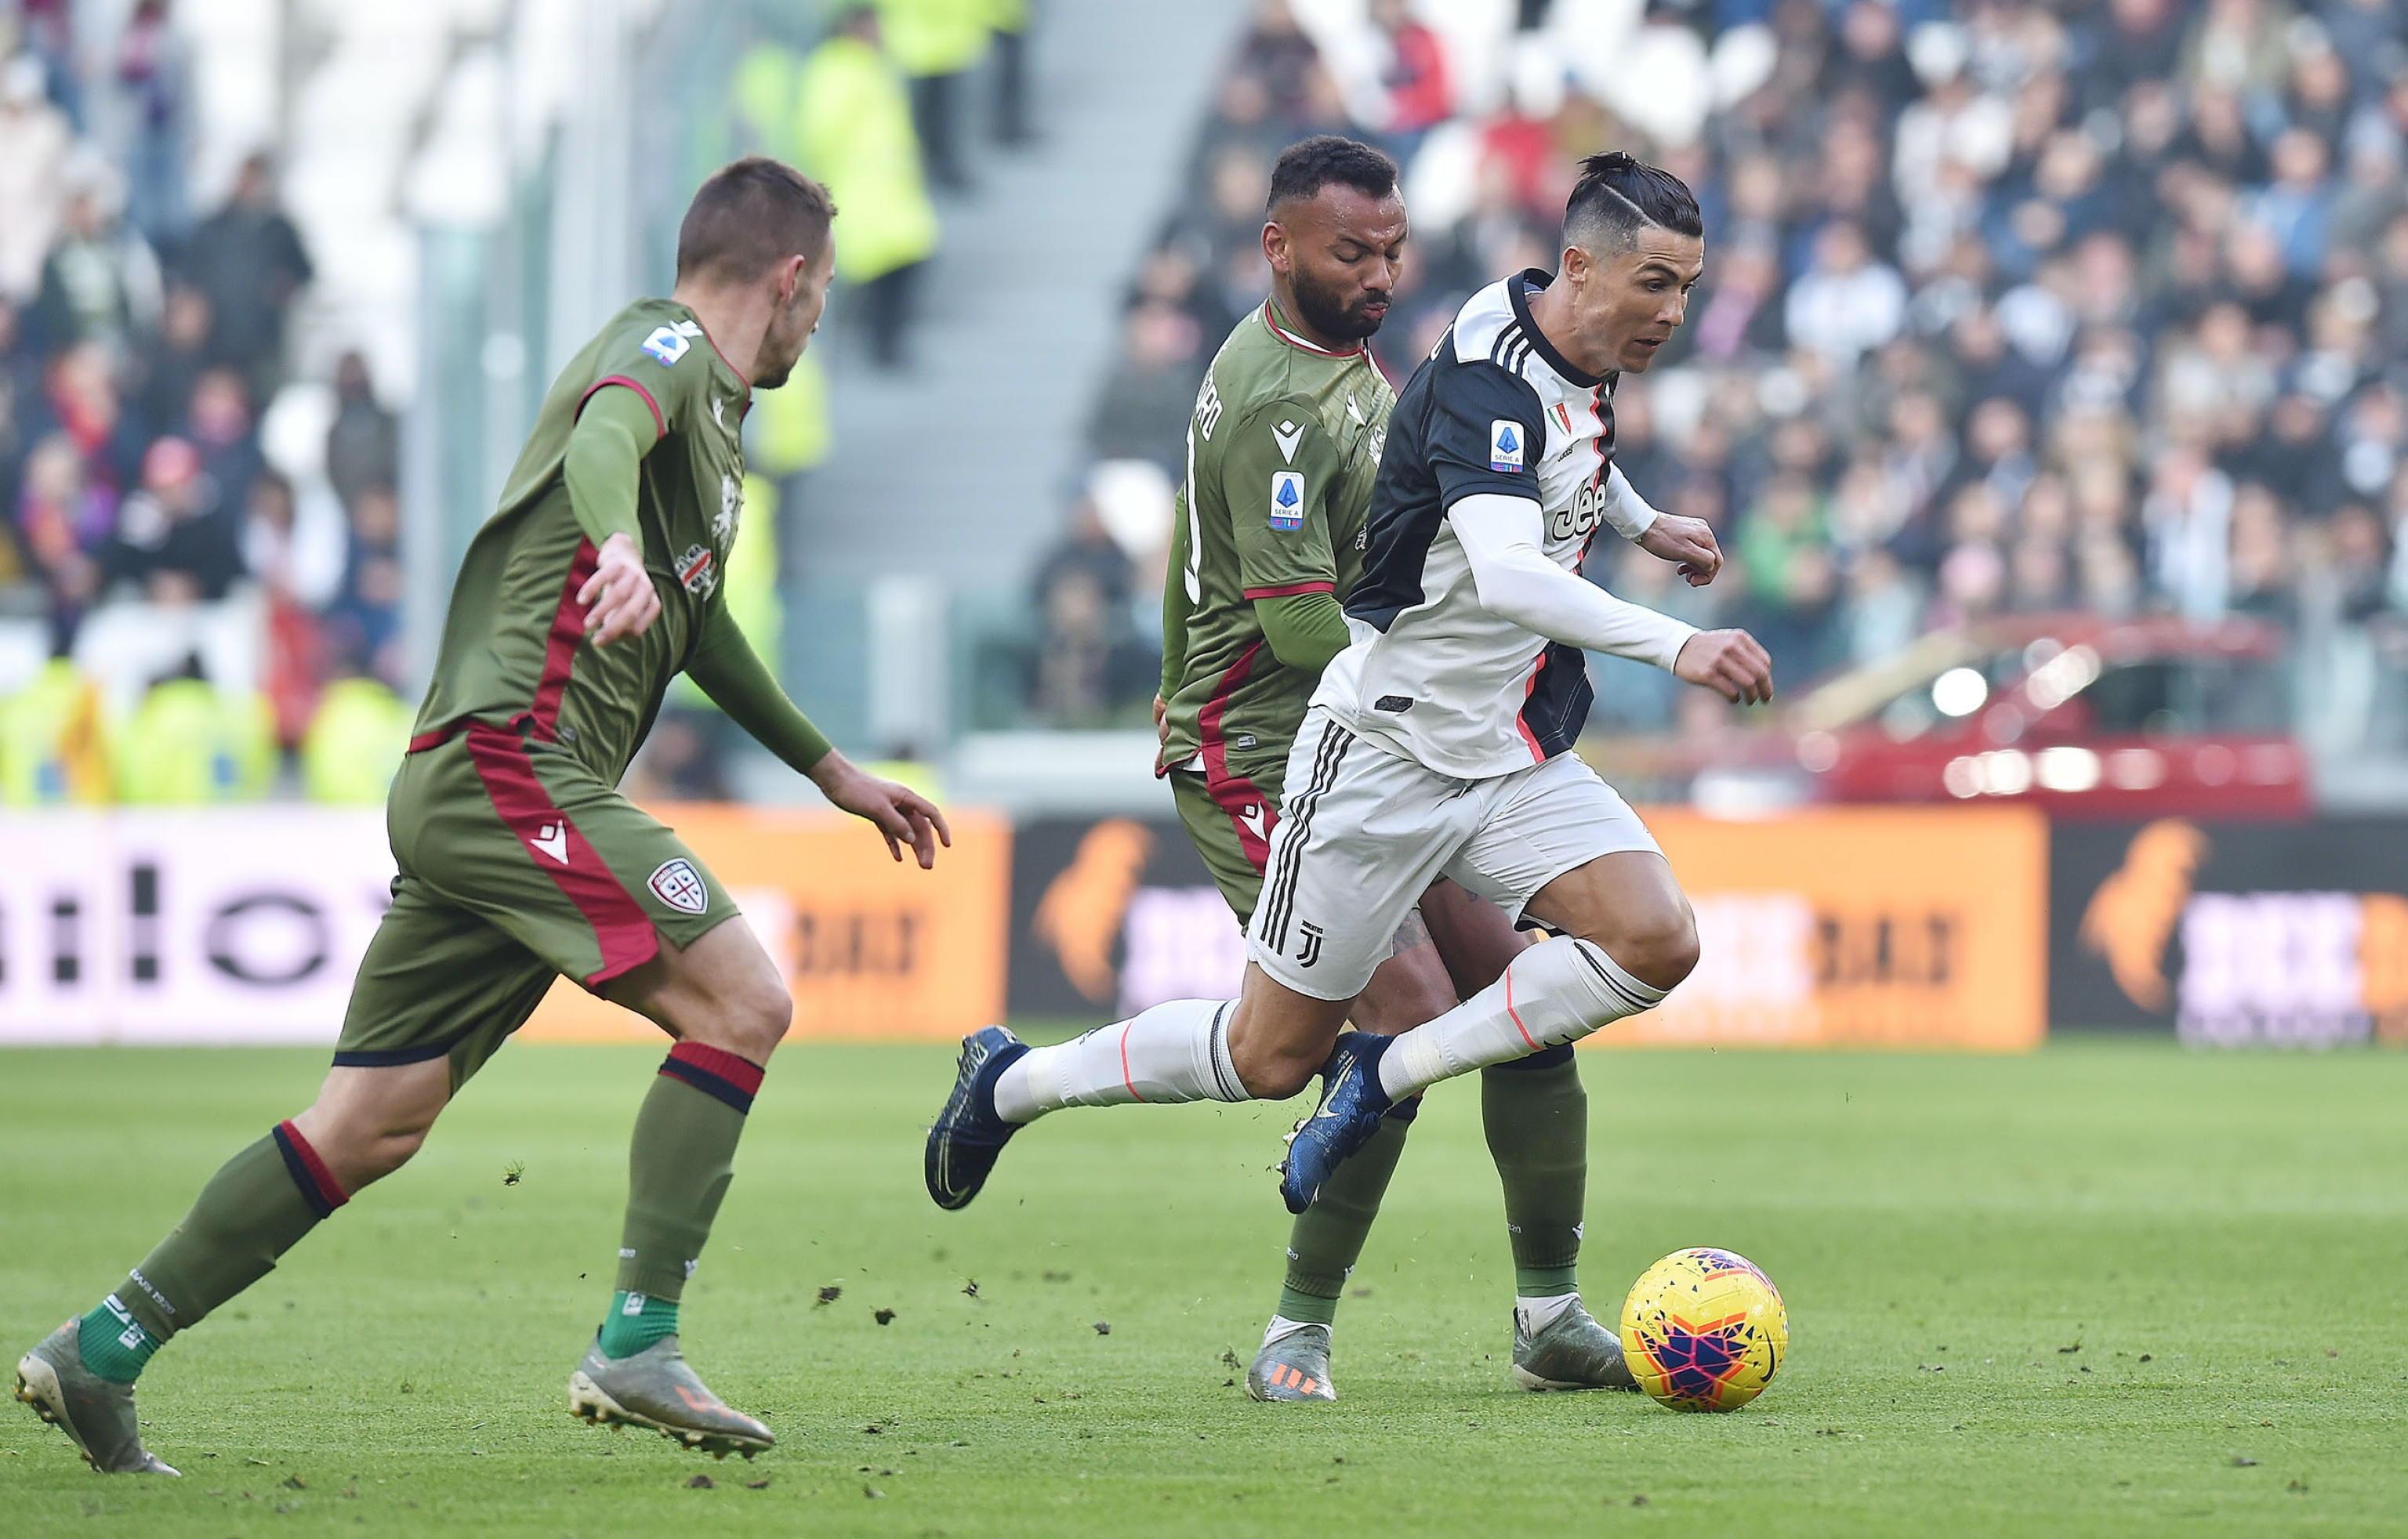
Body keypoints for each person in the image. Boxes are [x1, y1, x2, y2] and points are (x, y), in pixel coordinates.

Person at [13, 157, 951, 1475]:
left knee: (371, 1122)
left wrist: (826, 767)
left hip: (484, 787)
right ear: (788, 278)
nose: (820, 321)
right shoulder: (665, 348)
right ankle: (638, 1338)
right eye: (823, 295)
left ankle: (100, 1350)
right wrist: (614, 544)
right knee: (744, 1000)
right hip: (515, 766)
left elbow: (698, 621)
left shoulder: (718, 424)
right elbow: (607, 432)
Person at [928, 150, 1755, 1394]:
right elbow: (1495, 569)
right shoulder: (1303, 395)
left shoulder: (1519, 318)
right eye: (1658, 285)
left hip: (1500, 751)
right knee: (1291, 1051)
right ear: (1583, 267)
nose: (1674, 315)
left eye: (1687, 289)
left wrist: (1639, 522)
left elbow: (1557, 431)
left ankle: (1547, 1318)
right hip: (1347, 747)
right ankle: (1250, 1292)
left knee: (1599, 974)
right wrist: (1677, 641)